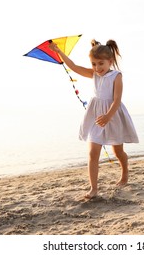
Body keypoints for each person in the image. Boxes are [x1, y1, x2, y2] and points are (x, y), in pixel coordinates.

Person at [49, 39, 139, 199]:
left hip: (113, 115)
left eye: (100, 63)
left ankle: (125, 171)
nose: (97, 68)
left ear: (110, 61)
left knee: (118, 151)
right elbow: (74, 67)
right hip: (96, 115)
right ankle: (94, 188)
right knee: (92, 153)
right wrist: (59, 52)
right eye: (93, 64)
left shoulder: (116, 76)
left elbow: (117, 99)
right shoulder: (94, 75)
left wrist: (108, 116)